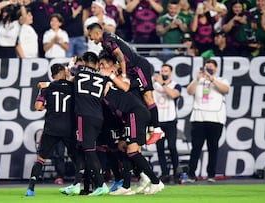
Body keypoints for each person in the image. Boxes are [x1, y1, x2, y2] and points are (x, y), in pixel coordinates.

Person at [86, 22, 164, 145]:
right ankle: (149, 128)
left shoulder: (107, 40)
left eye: (90, 35)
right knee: (137, 96)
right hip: (132, 70)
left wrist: (123, 75)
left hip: (137, 67)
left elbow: (120, 56)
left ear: (96, 32)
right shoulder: (106, 39)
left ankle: (157, 129)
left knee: (148, 96)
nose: (89, 38)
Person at [99, 50, 164, 195]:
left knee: (133, 151)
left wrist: (109, 76)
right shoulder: (109, 79)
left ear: (114, 66)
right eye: (100, 65)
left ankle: (155, 181)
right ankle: (126, 186)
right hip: (130, 116)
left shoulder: (122, 78)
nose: (101, 67)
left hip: (136, 114)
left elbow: (125, 86)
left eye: (104, 64)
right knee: (126, 150)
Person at [60, 52, 109, 196]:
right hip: (98, 116)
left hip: (84, 115)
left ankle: (101, 184)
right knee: (81, 149)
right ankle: (76, 184)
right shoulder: (103, 76)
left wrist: (72, 62)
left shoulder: (79, 71)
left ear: (84, 61)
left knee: (88, 148)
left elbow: (69, 75)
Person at [25, 63, 77, 196]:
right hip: (68, 127)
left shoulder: (46, 88)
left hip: (51, 127)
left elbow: (38, 106)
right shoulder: (72, 87)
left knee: (41, 159)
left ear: (53, 75)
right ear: (63, 72)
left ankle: (31, 188)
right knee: (78, 157)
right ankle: (86, 183)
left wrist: (50, 106)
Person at [186, 59, 229, 183]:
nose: (208, 69)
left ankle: (211, 174)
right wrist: (197, 79)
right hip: (199, 118)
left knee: (213, 148)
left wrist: (212, 79)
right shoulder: (199, 80)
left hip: (216, 118)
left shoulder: (221, 80)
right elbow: (189, 91)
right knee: (196, 148)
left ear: (216, 68)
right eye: (206, 67)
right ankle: (191, 174)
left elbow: (226, 90)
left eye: (211, 67)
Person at [152, 64, 181, 183]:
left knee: (172, 146)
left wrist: (163, 84)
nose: (164, 73)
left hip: (170, 120)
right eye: (162, 71)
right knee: (160, 148)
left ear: (171, 72)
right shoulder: (154, 85)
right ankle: (164, 173)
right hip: (158, 121)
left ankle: (176, 172)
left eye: (166, 71)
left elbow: (174, 94)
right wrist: (154, 80)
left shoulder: (175, 85)